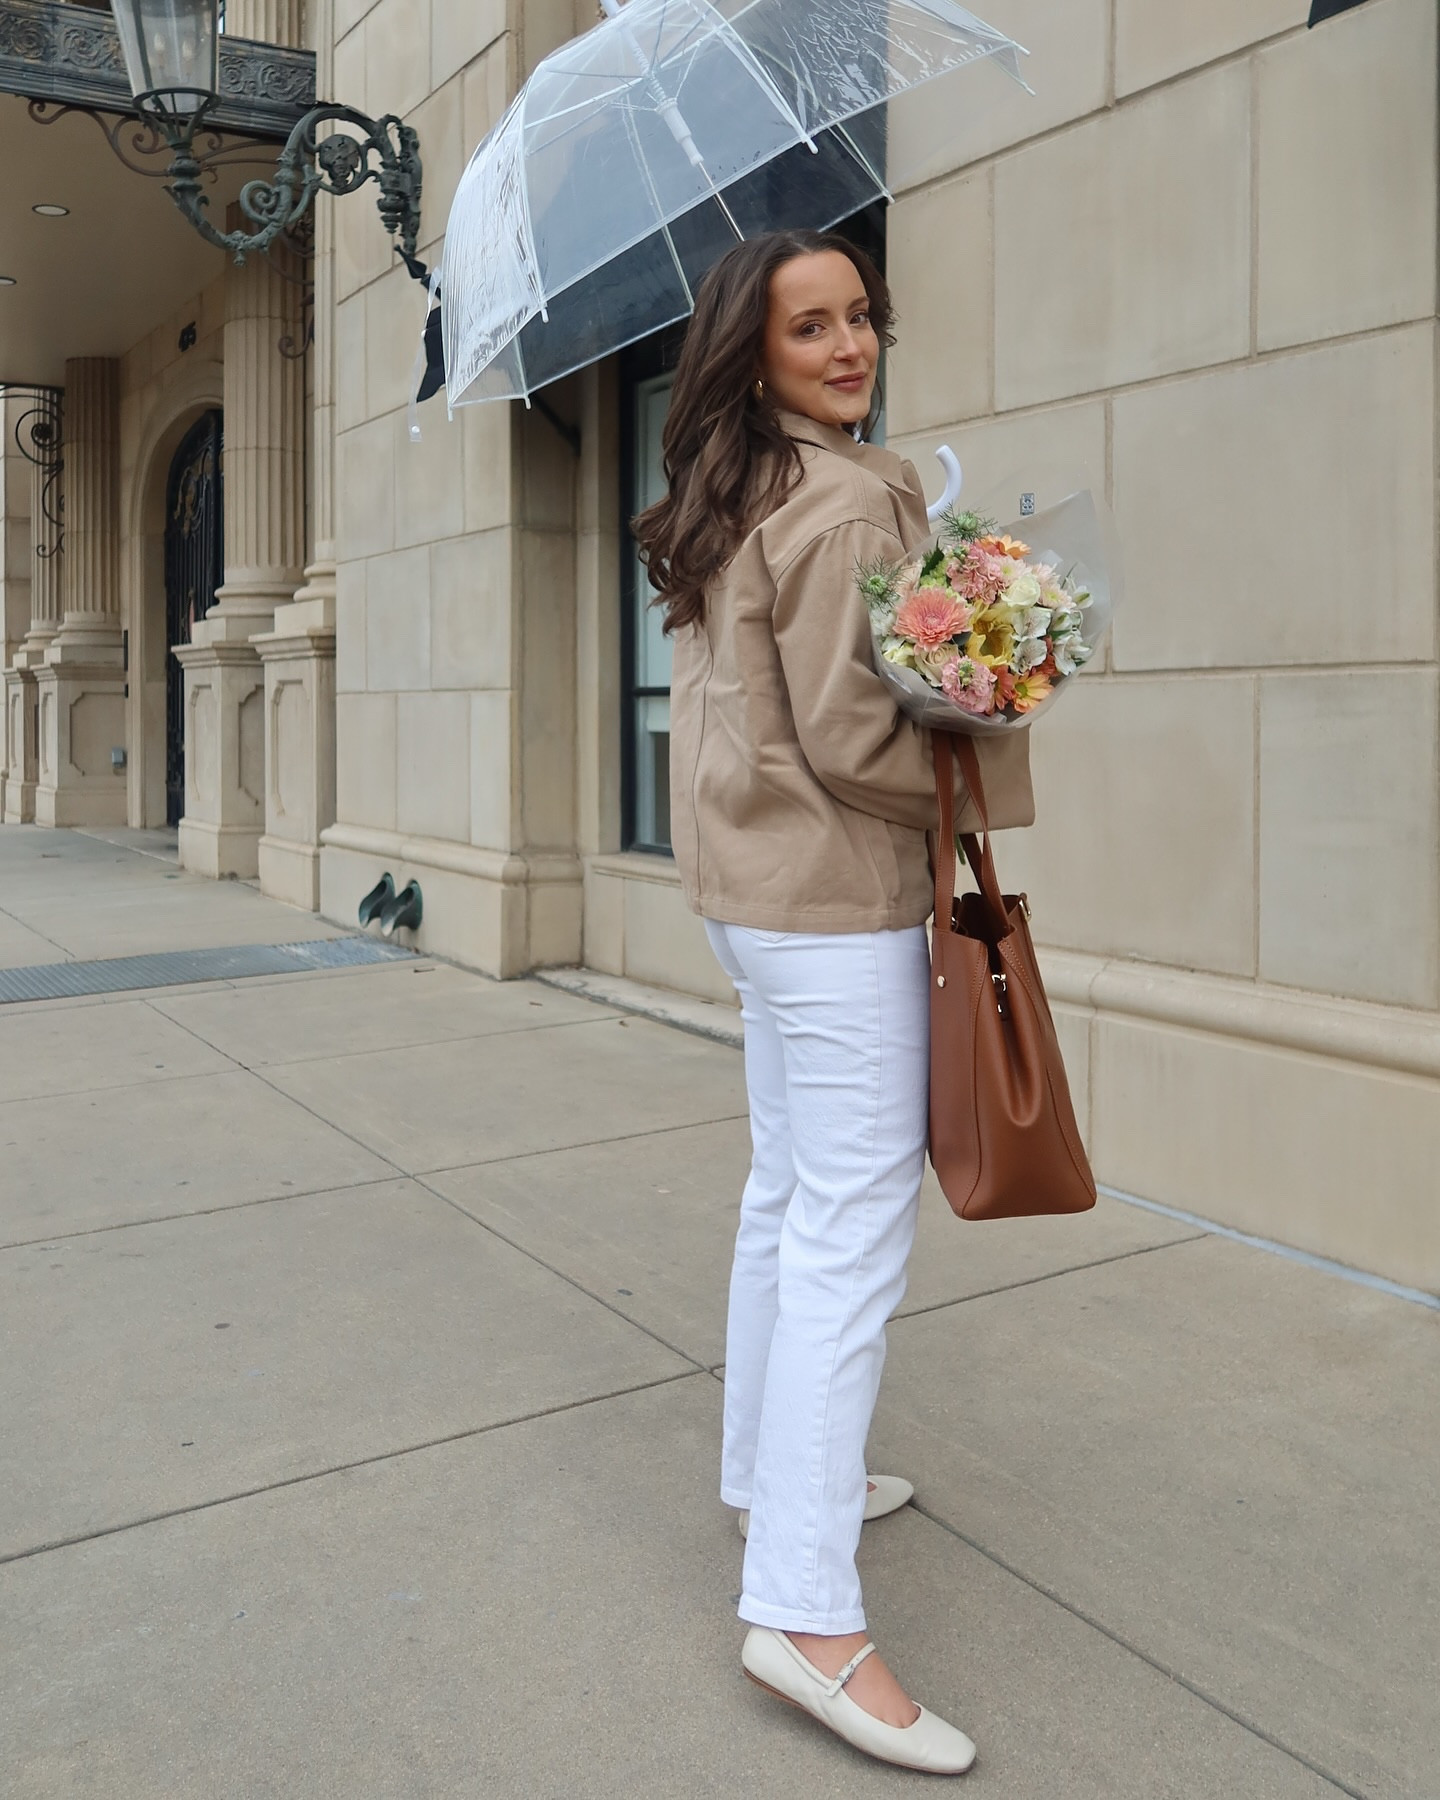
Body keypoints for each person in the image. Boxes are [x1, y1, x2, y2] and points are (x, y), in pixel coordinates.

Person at [634, 229, 1033, 1774]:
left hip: (752, 903)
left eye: (861, 316)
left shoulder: (730, 494)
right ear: (756, 351)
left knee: (788, 1197)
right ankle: (803, 1614)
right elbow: (860, 739)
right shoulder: (849, 497)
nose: (851, 346)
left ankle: (767, 1472)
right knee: (849, 1239)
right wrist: (991, 692)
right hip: (837, 904)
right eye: (813, 326)